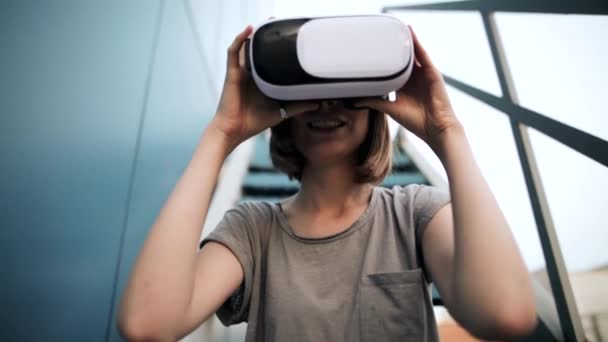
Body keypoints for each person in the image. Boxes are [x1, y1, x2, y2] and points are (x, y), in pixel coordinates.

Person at [118, 24, 537, 342]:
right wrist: (220, 136)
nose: (328, 103)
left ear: (375, 103)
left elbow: (506, 315)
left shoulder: (415, 214)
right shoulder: (252, 230)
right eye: (310, 91)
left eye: (346, 88)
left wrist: (448, 133)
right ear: (285, 109)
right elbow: (148, 325)